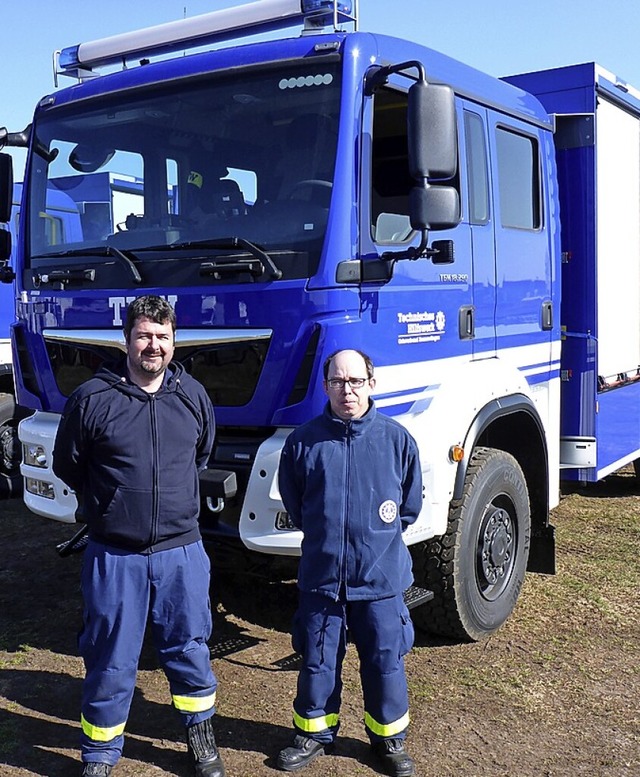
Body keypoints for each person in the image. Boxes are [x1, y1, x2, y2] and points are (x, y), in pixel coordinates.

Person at [52, 295, 225, 777]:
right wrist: (112, 505)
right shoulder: (91, 399)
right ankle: (100, 753)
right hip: (115, 555)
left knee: (190, 648)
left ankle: (200, 739)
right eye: (144, 335)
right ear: (126, 339)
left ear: (175, 342)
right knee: (109, 655)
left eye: (163, 337)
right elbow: (69, 463)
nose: (154, 345)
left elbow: (201, 457)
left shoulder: (193, 397)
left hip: (181, 553)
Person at [276, 349, 423, 777]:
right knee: (317, 660)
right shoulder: (303, 442)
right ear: (325, 387)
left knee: (385, 660)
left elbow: (408, 507)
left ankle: (388, 739)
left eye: (356, 381)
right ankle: (313, 733)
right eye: (338, 382)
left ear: (371, 384)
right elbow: (297, 504)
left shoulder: (397, 441)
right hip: (322, 580)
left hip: (379, 580)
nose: (348, 391)